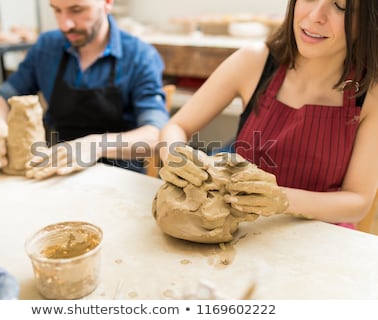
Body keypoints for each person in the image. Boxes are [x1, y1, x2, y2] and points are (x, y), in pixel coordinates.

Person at [159, 0, 378, 228]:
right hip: (242, 228)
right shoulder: (254, 61)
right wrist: (175, 156)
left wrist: (282, 199)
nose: (315, 16)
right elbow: (177, 126)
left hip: (321, 237)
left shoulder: (370, 94)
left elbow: (358, 201)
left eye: (340, 6)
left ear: (366, 22)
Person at [0, 0, 169, 178]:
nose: (65, 25)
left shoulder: (140, 56)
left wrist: (95, 145)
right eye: (57, 10)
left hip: (118, 175)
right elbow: (1, 98)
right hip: (54, 169)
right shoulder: (47, 47)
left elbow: (156, 134)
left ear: (107, 3)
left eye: (77, 10)